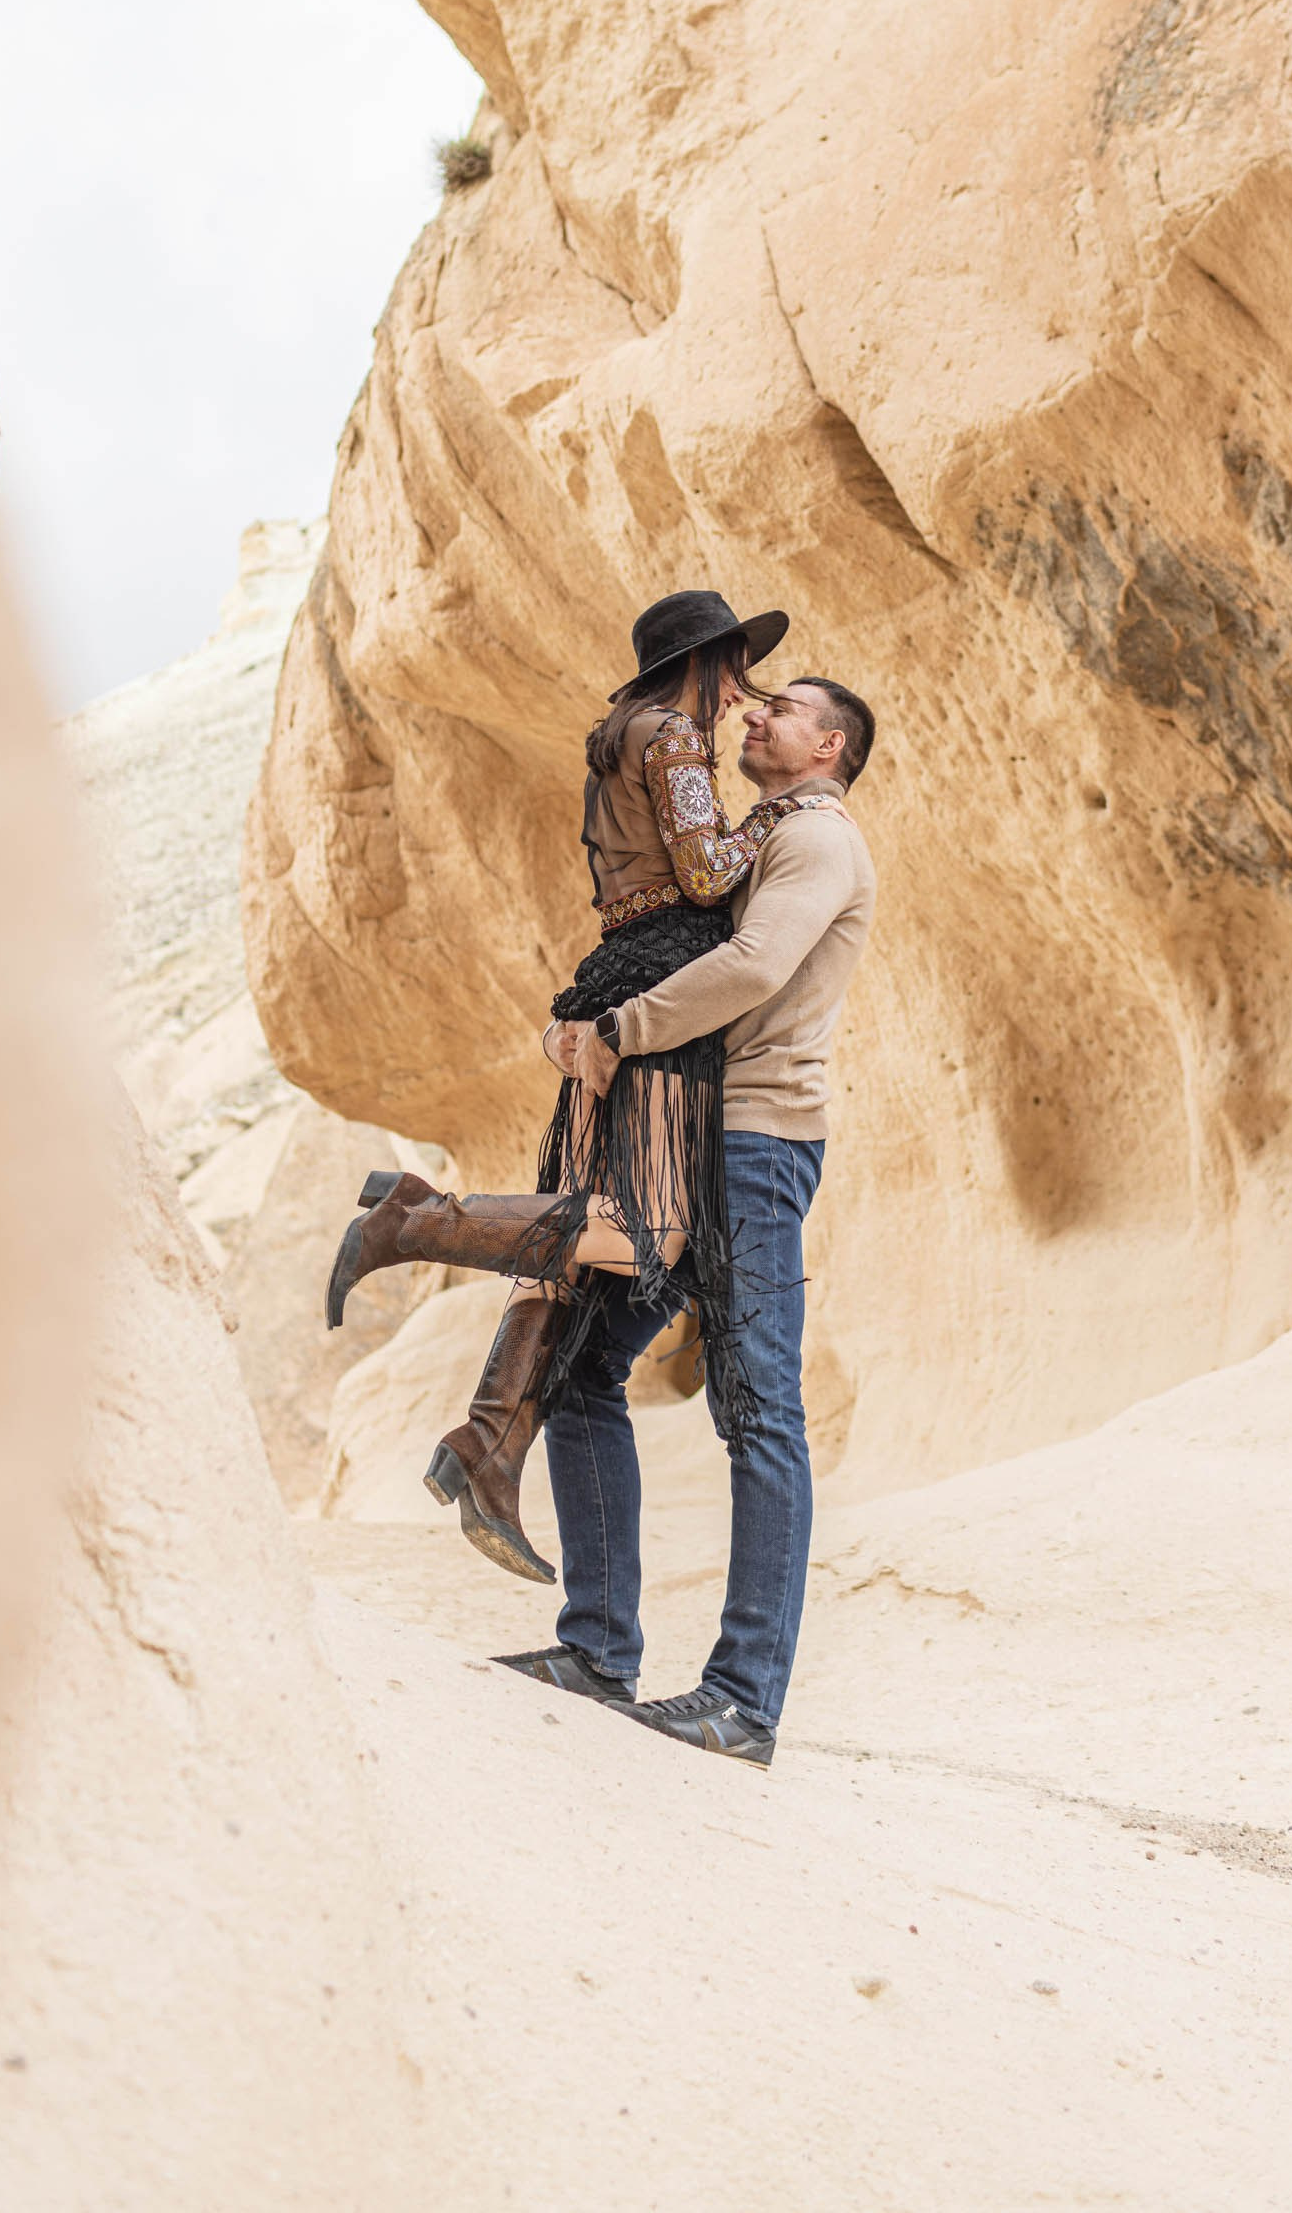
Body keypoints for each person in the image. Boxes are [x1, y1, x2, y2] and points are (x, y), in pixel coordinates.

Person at [321, 588, 799, 1582]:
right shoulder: (671, 735)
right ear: (703, 666)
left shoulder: (619, 735)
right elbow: (708, 875)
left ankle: (491, 1446)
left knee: (572, 1246)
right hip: (660, 991)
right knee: (653, 1229)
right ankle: (417, 1219)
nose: (736, 694)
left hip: (608, 978)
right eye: (732, 672)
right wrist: (774, 818)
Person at [498, 669, 877, 1768]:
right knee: (581, 1366)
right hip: (698, 1135)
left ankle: (742, 1701)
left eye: (787, 710)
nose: (756, 714)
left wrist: (621, 1027)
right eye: (755, 703)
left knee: (759, 1407)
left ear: (829, 747)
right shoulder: (766, 834)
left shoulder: (818, 841)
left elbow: (756, 966)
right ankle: (598, 1650)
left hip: (755, 1145)